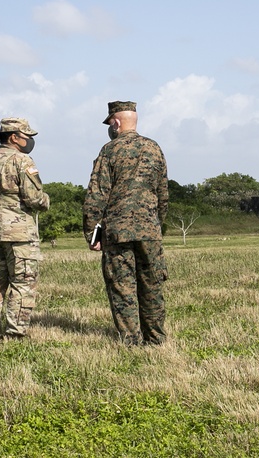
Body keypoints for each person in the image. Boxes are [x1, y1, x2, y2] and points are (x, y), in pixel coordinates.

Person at [83, 100, 169, 346]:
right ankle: (156, 339)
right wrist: (156, 224)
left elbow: (96, 195)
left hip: (117, 232)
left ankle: (131, 342)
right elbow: (163, 194)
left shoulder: (109, 151)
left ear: (116, 122)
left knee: (123, 288)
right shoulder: (154, 148)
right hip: (150, 230)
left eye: (109, 123)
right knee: (151, 285)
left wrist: (92, 233)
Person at [0, 117, 50, 339]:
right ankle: (15, 333)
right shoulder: (23, 160)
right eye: (27, 136)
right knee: (23, 284)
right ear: (14, 137)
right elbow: (34, 197)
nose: (29, 140)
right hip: (19, 234)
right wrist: (46, 200)